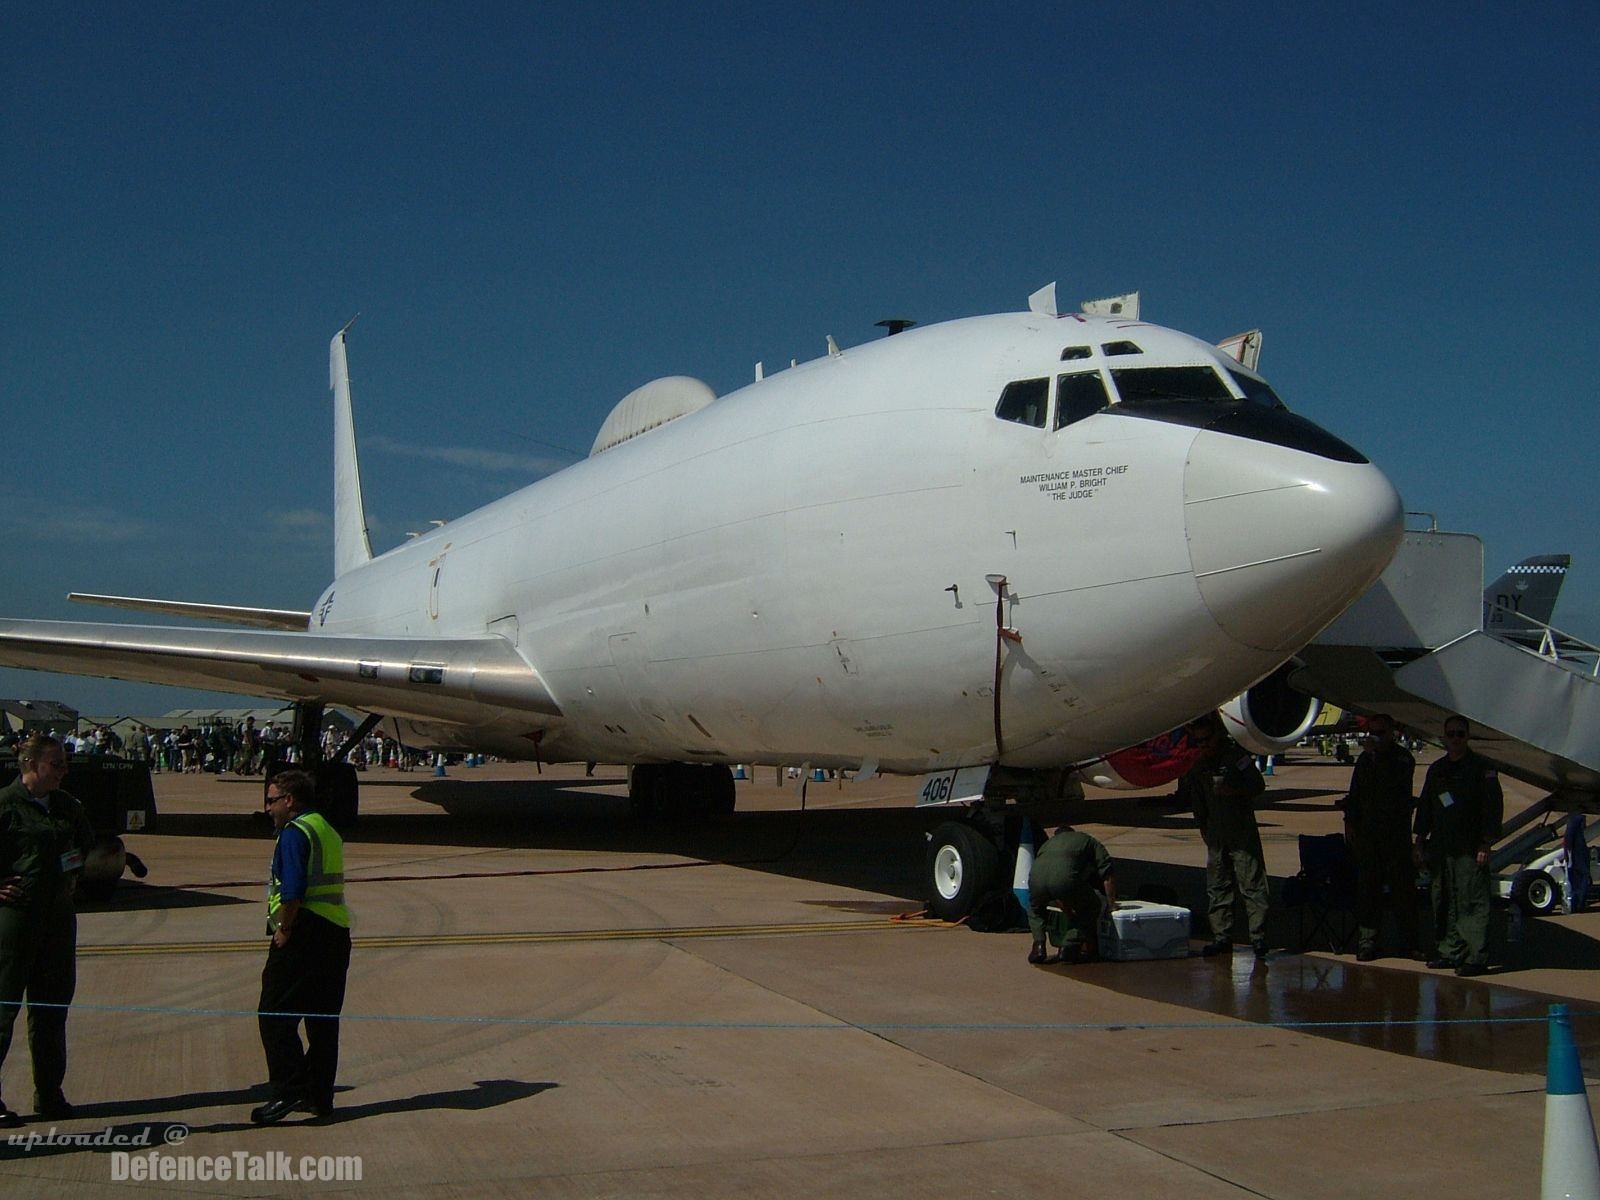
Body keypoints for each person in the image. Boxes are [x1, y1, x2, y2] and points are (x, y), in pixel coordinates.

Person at [0, 734, 95, 1126]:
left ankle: (50, 1093)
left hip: (58, 920)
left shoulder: (66, 806)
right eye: (56, 763)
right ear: (31, 764)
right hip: (14, 920)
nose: (63, 771)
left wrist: (74, 872)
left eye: (64, 763)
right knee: (2, 1010)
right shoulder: (6, 806)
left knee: (52, 1010)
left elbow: (84, 844)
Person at [252, 769, 352, 1124]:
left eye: (272, 800)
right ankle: (319, 1096)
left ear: (289, 801)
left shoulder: (294, 833)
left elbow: (292, 889)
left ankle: (288, 1089)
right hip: (336, 931)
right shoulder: (326, 828)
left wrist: (283, 927)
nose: (267, 808)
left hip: (303, 931)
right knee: (323, 1021)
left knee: (273, 1014)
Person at [1414, 715, 1502, 976]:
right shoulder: (1438, 769)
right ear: (1444, 738)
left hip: (1469, 847)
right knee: (1443, 899)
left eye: (1460, 734)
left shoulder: (1481, 768)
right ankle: (1448, 951)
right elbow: (1426, 806)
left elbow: (1492, 807)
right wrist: (1419, 840)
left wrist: (1486, 842)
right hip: (1441, 846)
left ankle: (1476, 955)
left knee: (1471, 901)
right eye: (1451, 734)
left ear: (1467, 737)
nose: (1455, 739)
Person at [1178, 715, 1270, 958]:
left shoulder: (1236, 759)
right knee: (1218, 886)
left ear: (1217, 736)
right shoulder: (1199, 768)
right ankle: (1222, 936)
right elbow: (1198, 802)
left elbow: (1257, 786)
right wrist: (1204, 829)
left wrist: (1235, 791)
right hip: (1217, 834)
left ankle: (1258, 937)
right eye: (1198, 742)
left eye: (1207, 740)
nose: (1203, 746)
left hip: (1241, 831)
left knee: (1252, 884)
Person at [1339, 713, 1418, 961]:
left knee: (1402, 891)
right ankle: (1368, 941)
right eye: (1372, 733)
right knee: (1368, 890)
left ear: (1391, 733)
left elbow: (1396, 787)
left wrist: (1377, 758)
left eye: (1380, 733)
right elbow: (1356, 792)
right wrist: (1350, 822)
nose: (1376, 738)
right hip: (1369, 834)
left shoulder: (1402, 759)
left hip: (1394, 835)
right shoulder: (1365, 760)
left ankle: (1409, 942)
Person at [1026, 824, 1116, 963]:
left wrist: (1069, 911)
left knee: (1035, 911)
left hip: (1035, 879)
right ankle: (1069, 945)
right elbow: (1107, 873)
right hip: (1065, 879)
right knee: (1092, 907)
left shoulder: (1047, 844)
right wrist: (1111, 905)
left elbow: (1057, 893)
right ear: (1072, 833)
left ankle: (1038, 946)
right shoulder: (1087, 840)